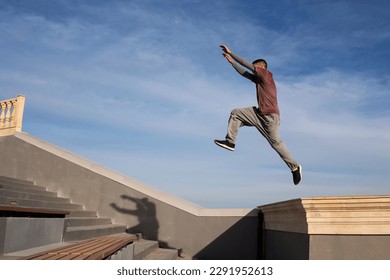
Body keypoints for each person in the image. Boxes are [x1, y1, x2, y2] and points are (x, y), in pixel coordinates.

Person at [215, 45, 302, 185]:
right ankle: (230, 141)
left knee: (276, 144)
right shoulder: (259, 80)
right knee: (236, 113)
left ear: (262, 68)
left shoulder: (266, 75)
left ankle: (295, 167)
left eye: (256, 69)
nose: (254, 72)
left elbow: (247, 65)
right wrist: (231, 63)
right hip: (259, 114)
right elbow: (245, 73)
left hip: (270, 118)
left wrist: (232, 53)